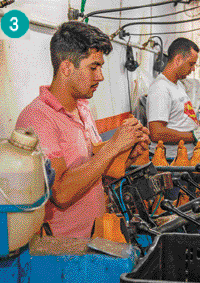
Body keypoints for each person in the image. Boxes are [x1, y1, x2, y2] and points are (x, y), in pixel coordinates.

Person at [15, 21, 150, 238]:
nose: (100, 76)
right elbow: (61, 192)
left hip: (92, 240)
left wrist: (127, 155)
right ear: (67, 67)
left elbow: (96, 175)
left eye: (101, 68)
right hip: (62, 252)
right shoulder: (38, 118)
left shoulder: (83, 110)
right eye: (93, 67)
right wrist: (113, 146)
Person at [146, 37, 200, 159]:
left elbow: (181, 120)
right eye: (191, 64)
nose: (193, 69)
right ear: (178, 60)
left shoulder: (178, 85)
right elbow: (157, 133)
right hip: (171, 163)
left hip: (186, 160)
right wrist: (194, 135)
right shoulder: (160, 87)